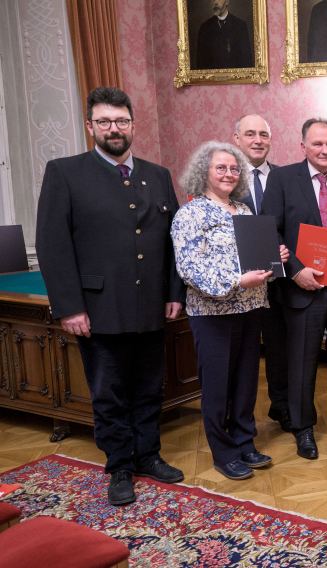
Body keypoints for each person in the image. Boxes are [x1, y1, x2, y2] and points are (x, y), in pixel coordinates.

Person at [36, 87, 186, 506]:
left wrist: (174, 292)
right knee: (109, 390)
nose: (114, 129)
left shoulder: (157, 175)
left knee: (148, 386)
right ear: (90, 127)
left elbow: (172, 241)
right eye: (104, 122)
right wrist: (69, 306)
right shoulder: (65, 172)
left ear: (133, 124)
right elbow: (52, 245)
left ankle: (149, 454)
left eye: (121, 121)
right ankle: (120, 464)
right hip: (97, 308)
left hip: (151, 305)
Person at [171, 142, 288, 480]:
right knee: (218, 384)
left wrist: (274, 258)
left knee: (246, 380)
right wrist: (238, 281)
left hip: (251, 308)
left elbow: (255, 258)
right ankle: (223, 452)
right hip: (212, 313)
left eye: (234, 169)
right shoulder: (190, 214)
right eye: (220, 168)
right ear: (203, 172)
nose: (228, 174)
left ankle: (244, 441)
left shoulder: (245, 210)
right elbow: (190, 268)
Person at [261, 118, 327, 459]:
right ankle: (303, 428)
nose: (325, 150)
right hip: (300, 289)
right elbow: (270, 231)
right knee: (302, 363)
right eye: (317, 144)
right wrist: (293, 272)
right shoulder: (282, 178)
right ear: (302, 146)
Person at [232, 114, 291, 433]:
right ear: (236, 138)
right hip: (237, 287)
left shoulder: (287, 177)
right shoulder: (223, 177)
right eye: (250, 134)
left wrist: (287, 253)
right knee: (242, 354)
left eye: (264, 134)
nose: (258, 140)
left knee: (280, 348)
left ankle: (280, 405)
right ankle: (239, 417)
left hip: (279, 283)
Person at [194, 0, 253, 69]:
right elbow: (200, 63)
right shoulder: (204, 28)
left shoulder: (240, 26)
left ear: (227, 2)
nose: (215, 2)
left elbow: (246, 61)